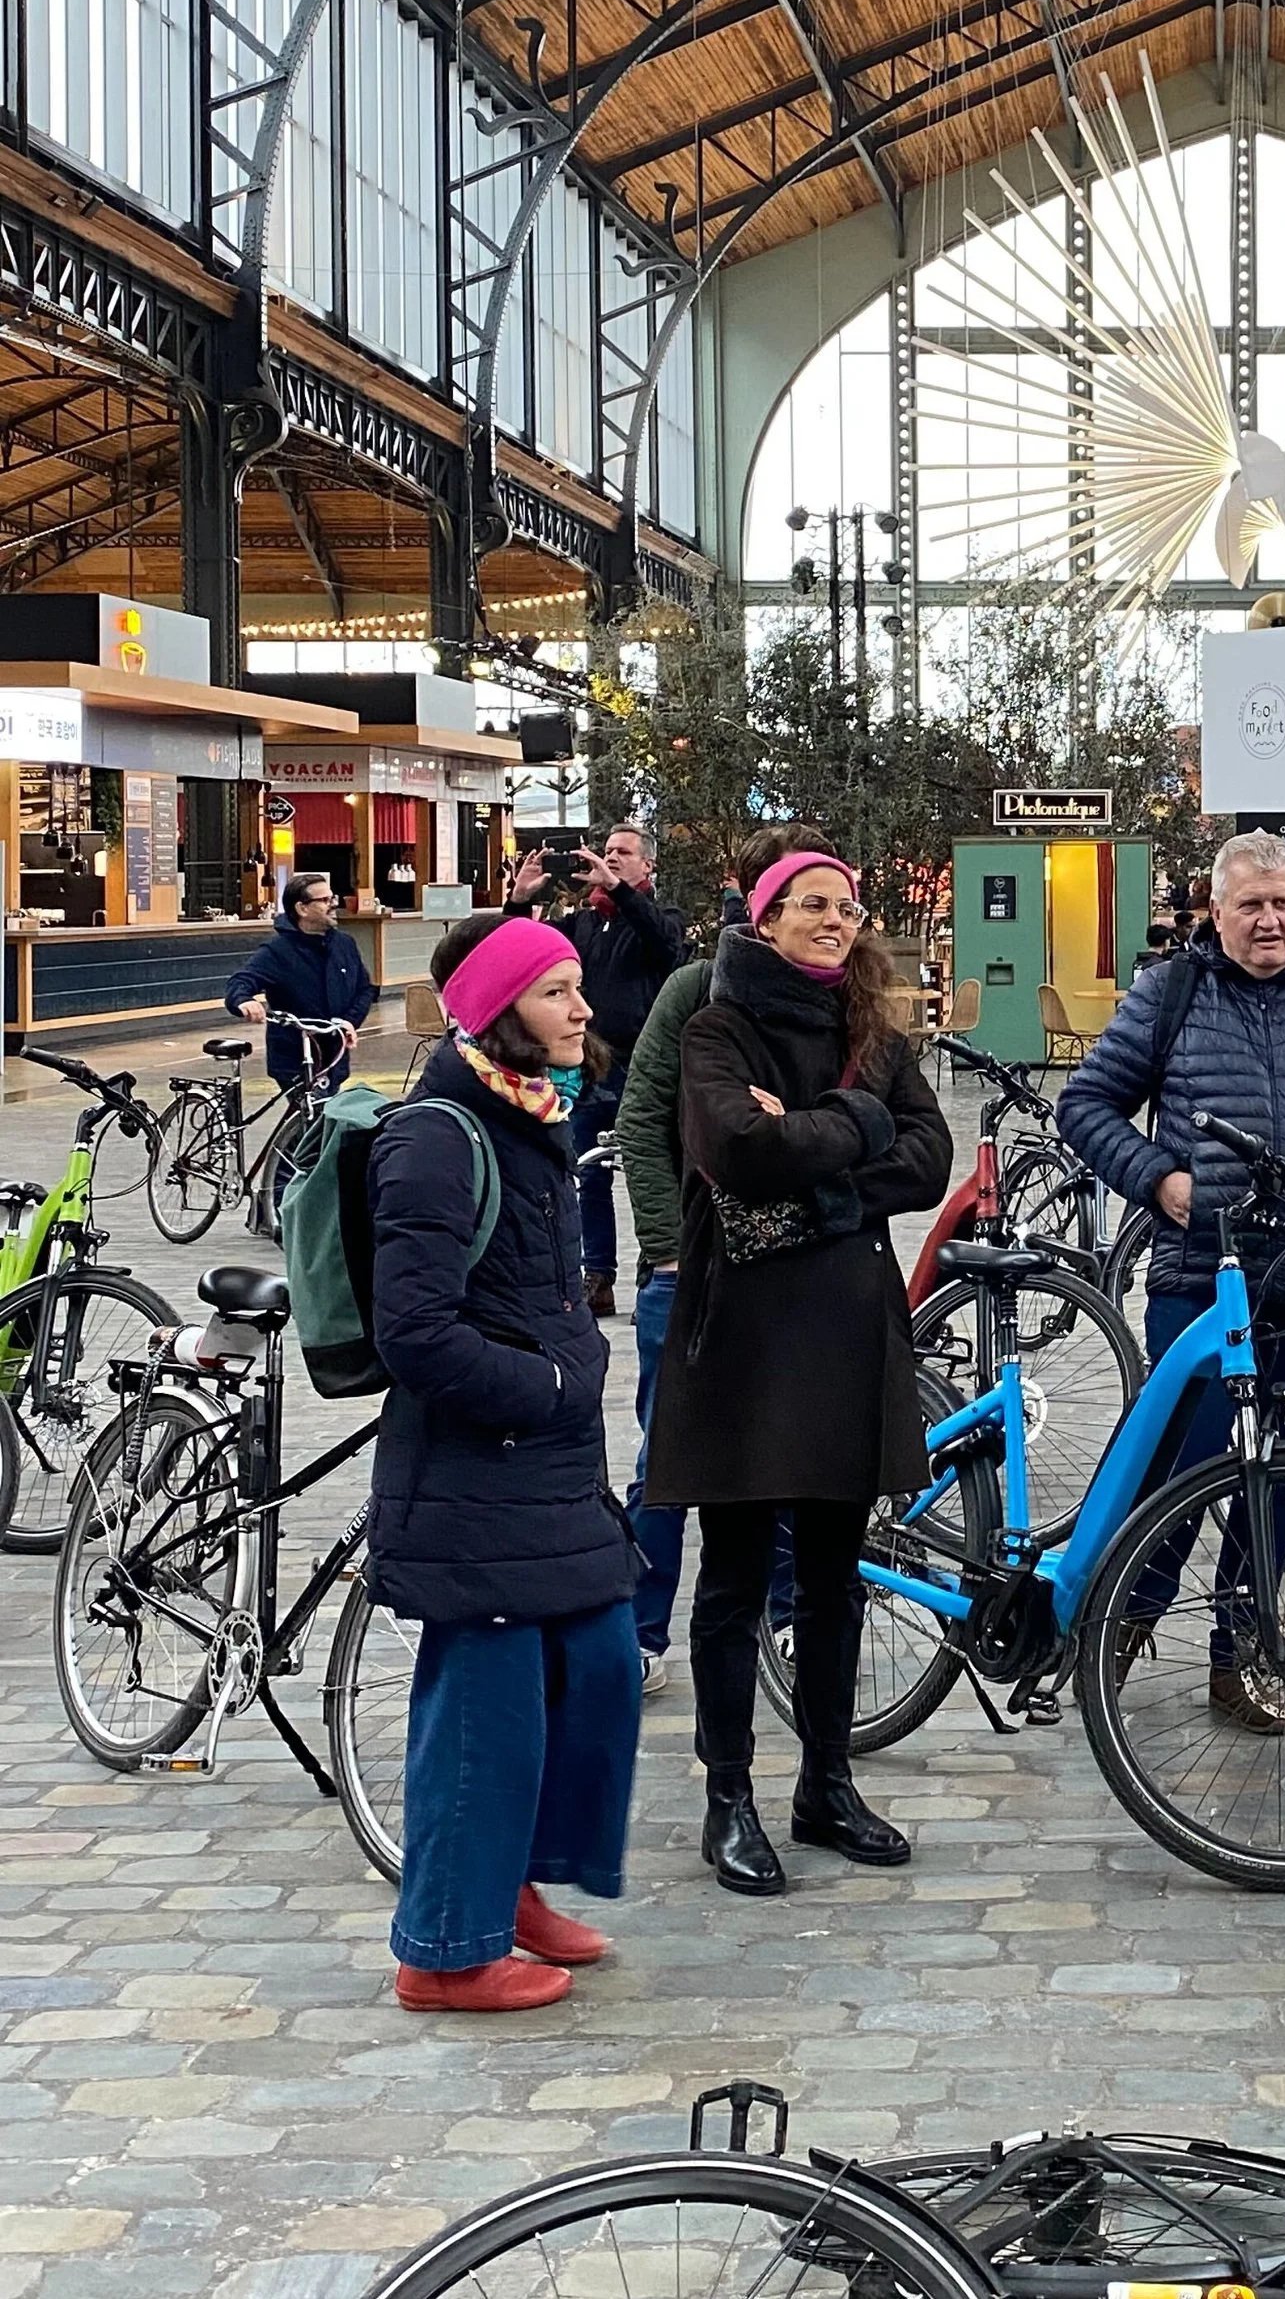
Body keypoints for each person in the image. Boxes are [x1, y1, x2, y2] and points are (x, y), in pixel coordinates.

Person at [1055, 829, 1285, 1727]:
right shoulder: (1171, 992)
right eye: (1250, 904)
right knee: (1186, 1465)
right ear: (1215, 911)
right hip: (1200, 1278)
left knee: (1281, 1479)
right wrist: (1159, 1179)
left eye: (1282, 903)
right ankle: (1124, 1618)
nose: (1269, 920)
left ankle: (1243, 1654)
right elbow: (1085, 1103)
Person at [645, 851, 952, 1897]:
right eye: (811, 904)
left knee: (833, 1574)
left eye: (845, 906)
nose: (833, 919)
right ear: (766, 917)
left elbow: (928, 1157)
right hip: (742, 1330)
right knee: (733, 1576)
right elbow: (735, 1148)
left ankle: (825, 1779)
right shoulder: (715, 1028)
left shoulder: (872, 1032)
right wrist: (861, 1126)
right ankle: (725, 1793)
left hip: (846, 1324)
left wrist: (819, 1147)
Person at [367, 911, 642, 2015]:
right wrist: (551, 1386)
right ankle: (442, 1946)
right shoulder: (440, 1133)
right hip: (480, 1463)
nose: (583, 1009)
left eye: (580, 986)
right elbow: (415, 1332)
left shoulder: (532, 1116)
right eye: (556, 991)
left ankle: (510, 1886)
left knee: (600, 1667)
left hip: (551, 1462)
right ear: (496, 1012)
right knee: (485, 1704)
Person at [616, 825, 826, 1696]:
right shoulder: (693, 990)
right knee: (667, 1455)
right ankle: (638, 1627)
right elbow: (641, 1121)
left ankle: (786, 1615)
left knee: (791, 1451)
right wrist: (666, 1252)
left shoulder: (837, 997)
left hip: (794, 1269)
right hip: (693, 1272)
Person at [508, 824, 687, 1317]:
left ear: (647, 865)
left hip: (645, 1067)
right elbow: (525, 950)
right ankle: (598, 1275)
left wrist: (616, 889)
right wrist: (520, 900)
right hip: (590, 1065)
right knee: (587, 1172)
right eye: (606, 852)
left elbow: (663, 941)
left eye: (622, 853)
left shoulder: (659, 917)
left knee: (651, 1171)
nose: (609, 860)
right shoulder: (584, 924)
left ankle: (657, 1268)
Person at [226, 872, 374, 1087]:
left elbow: (365, 989)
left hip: (334, 1056)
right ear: (302, 908)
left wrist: (349, 1021)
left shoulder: (345, 945)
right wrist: (243, 1000)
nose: (333, 905)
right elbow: (241, 981)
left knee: (326, 1113)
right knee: (309, 1115)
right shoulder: (277, 951)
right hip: (294, 1059)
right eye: (324, 900)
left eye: (333, 898)